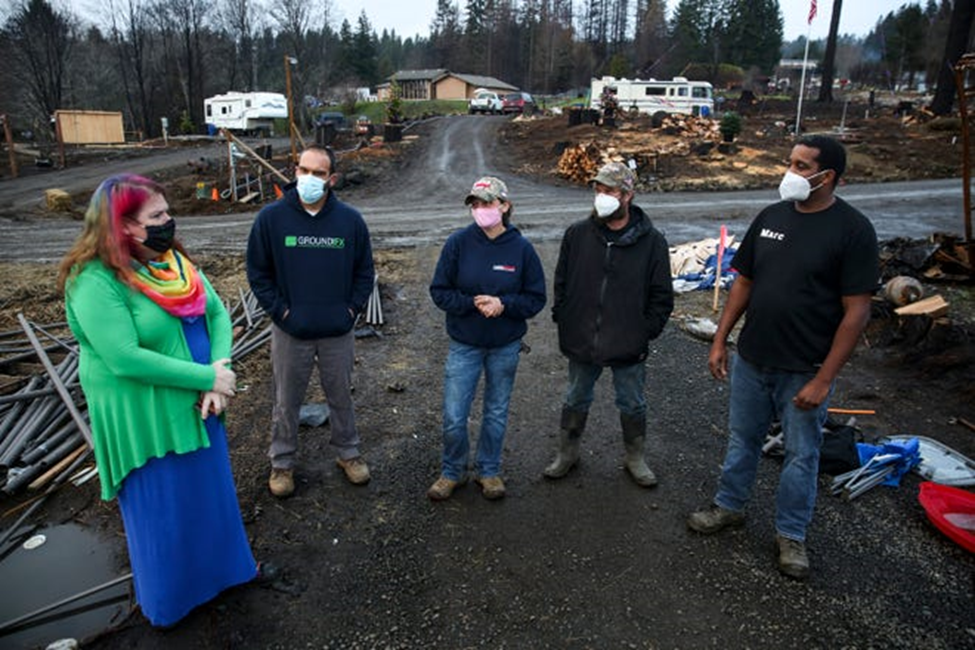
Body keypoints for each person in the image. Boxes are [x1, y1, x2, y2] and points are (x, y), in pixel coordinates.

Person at [59, 174, 256, 627]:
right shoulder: (93, 280)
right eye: (158, 216)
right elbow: (125, 358)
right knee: (165, 512)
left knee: (209, 498)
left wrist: (216, 373)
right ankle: (171, 602)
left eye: (167, 212)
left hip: (203, 403)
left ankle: (224, 574)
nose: (170, 222)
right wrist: (207, 375)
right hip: (147, 417)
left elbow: (216, 312)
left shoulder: (168, 261)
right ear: (122, 225)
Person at [686, 135, 879, 580]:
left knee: (801, 454)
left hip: (803, 369)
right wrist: (721, 341)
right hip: (753, 359)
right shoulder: (771, 217)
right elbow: (744, 283)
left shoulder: (852, 231)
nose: (789, 172)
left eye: (800, 164)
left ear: (826, 176)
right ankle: (729, 506)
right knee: (742, 440)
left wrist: (825, 379)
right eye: (789, 161)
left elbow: (857, 312)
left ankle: (791, 535)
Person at [247, 145, 375, 498]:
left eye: (319, 174)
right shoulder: (271, 219)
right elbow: (258, 273)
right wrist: (282, 313)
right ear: (295, 171)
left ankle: (348, 454)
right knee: (286, 400)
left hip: (337, 331)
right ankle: (282, 463)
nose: (309, 178)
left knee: (341, 396)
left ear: (331, 179)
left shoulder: (349, 221)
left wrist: (350, 312)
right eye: (304, 170)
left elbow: (365, 272)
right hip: (291, 331)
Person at [545, 162, 674, 487]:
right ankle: (568, 452)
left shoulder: (652, 241)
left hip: (627, 341)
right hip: (582, 337)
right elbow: (561, 281)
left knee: (632, 401)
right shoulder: (577, 234)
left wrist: (644, 331)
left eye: (610, 190)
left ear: (628, 195)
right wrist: (565, 317)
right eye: (598, 189)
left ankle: (635, 457)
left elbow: (661, 295)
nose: (601, 196)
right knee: (575, 396)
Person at [428, 177, 546, 501]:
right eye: (475, 204)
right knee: (454, 415)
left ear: (504, 206)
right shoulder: (458, 244)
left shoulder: (521, 249)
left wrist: (503, 304)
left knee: (495, 411)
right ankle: (452, 471)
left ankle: (488, 470)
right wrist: (471, 303)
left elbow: (536, 298)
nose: (481, 210)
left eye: (488, 203)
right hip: (464, 344)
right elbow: (439, 291)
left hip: (505, 346)